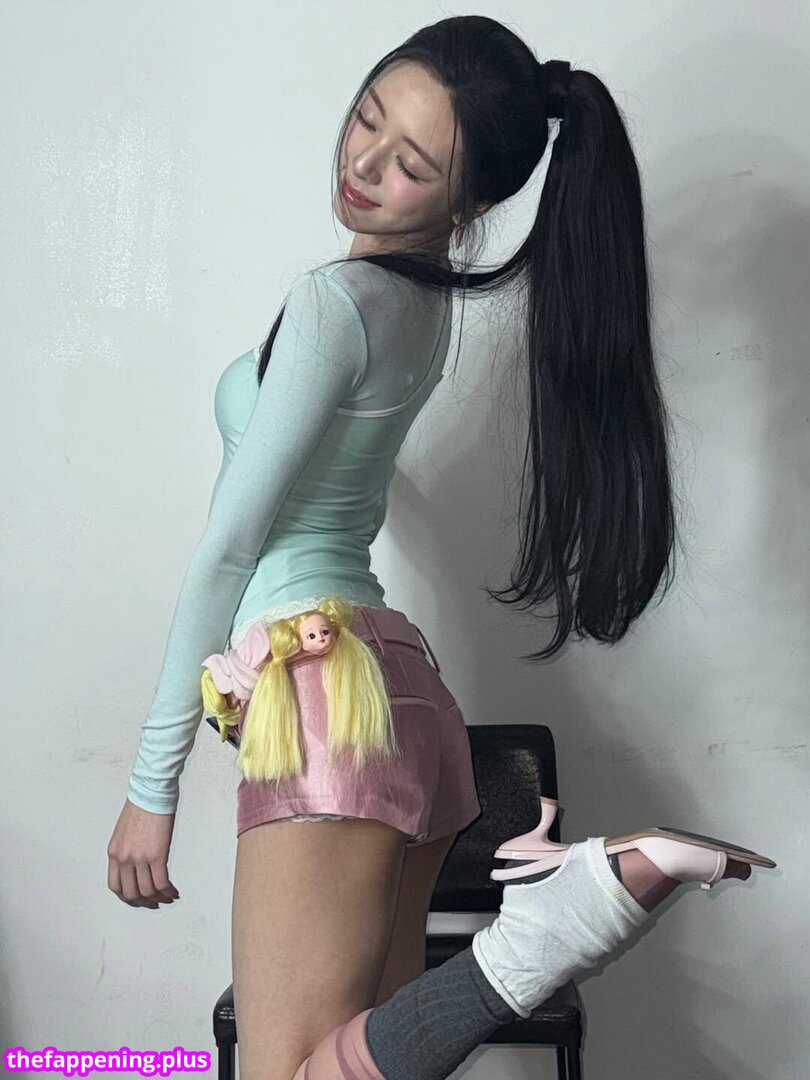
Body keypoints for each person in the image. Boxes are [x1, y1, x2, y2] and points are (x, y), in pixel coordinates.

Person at [105, 15, 776, 1080]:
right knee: (351, 1063)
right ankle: (562, 922)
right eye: (368, 118)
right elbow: (346, 484)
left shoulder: (334, 302)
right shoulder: (420, 308)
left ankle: (562, 922)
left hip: (321, 692)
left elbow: (231, 548)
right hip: (400, 695)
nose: (365, 164)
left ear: (466, 207)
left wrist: (153, 785)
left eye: (411, 165)